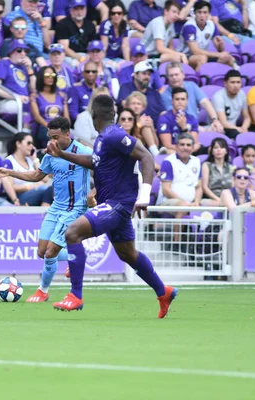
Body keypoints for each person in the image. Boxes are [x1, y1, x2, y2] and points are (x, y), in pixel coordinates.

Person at [46, 94, 177, 317]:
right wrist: (63, 154)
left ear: (93, 115)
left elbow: (145, 156)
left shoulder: (114, 135)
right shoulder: (103, 138)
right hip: (113, 203)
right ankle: (163, 291)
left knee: (73, 233)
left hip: (119, 203)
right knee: (127, 254)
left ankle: (75, 296)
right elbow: (95, 162)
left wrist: (144, 195)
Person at [0, 117, 90, 302]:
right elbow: (36, 175)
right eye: (50, 137)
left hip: (74, 208)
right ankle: (76, 256)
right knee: (42, 252)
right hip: (56, 207)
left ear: (68, 134)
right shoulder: (51, 155)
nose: (53, 142)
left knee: (51, 252)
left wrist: (94, 193)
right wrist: (9, 172)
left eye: (56, 137)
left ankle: (43, 291)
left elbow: (102, 170)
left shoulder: (83, 152)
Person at [161, 62, 223, 132]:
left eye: (176, 74)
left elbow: (205, 103)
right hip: (180, 128)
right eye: (171, 75)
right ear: (167, 78)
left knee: (218, 129)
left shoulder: (192, 85)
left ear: (183, 75)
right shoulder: (165, 95)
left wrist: (215, 120)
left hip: (196, 125)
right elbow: (177, 116)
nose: (174, 78)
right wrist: (202, 130)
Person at [178, 1, 235, 71]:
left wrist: (221, 45)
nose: (202, 15)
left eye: (205, 12)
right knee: (202, 58)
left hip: (203, 55)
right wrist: (219, 55)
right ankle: (198, 81)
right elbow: (195, 51)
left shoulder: (212, 25)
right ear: (195, 13)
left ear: (208, 14)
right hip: (185, 57)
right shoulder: (189, 27)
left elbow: (220, 50)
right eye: (199, 12)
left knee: (229, 58)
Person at [0, 132, 52, 206]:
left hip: (35, 193)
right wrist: (30, 187)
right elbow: (10, 186)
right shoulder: (9, 161)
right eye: (28, 143)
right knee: (46, 190)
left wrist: (35, 159)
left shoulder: (30, 160)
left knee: (53, 190)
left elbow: (45, 178)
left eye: (32, 143)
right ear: (18, 144)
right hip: (20, 196)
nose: (31, 146)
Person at [0, 39, 33, 128]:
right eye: (19, 50)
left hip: (25, 101)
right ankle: (24, 133)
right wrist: (17, 97)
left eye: (25, 51)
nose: (23, 53)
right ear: (11, 52)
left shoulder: (24, 67)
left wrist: (30, 69)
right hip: (7, 101)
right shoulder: (4, 63)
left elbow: (33, 89)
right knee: (24, 107)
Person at [30, 66, 69, 149]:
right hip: (44, 129)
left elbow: (66, 117)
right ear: (41, 77)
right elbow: (36, 116)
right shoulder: (35, 96)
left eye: (53, 75)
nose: (50, 78)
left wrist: (65, 129)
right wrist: (51, 128)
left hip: (61, 129)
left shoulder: (61, 95)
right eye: (47, 75)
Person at [118, 60, 165, 127]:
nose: (147, 77)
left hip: (155, 127)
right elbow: (125, 105)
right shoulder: (126, 88)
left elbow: (162, 113)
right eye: (144, 73)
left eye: (149, 74)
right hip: (134, 126)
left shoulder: (155, 93)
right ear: (135, 75)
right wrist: (141, 122)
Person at [54, 0, 97, 67]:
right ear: (71, 10)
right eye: (76, 9)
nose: (79, 12)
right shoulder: (63, 24)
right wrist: (80, 58)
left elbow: (91, 47)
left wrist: (87, 58)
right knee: (74, 64)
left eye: (81, 9)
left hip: (86, 56)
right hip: (68, 56)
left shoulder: (90, 25)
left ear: (86, 10)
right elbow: (64, 48)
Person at [157, 87, 200, 154]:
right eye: (177, 99)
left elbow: (193, 143)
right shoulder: (164, 118)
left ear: (187, 101)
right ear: (172, 101)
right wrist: (186, 149)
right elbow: (167, 145)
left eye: (183, 99)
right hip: (173, 153)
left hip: (188, 152)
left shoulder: (192, 119)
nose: (180, 102)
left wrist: (184, 128)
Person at [212, 70, 251, 139]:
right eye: (232, 82)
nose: (236, 85)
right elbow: (223, 122)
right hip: (219, 128)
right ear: (225, 84)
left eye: (238, 82)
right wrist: (238, 129)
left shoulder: (242, 94)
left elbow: (247, 117)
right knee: (237, 135)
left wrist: (244, 128)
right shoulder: (218, 96)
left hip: (234, 128)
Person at [201, 138, 235, 206]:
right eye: (216, 147)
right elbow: (204, 187)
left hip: (227, 199)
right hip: (211, 199)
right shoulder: (206, 165)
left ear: (226, 151)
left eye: (222, 147)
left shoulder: (230, 167)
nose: (218, 150)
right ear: (212, 151)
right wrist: (218, 199)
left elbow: (233, 186)